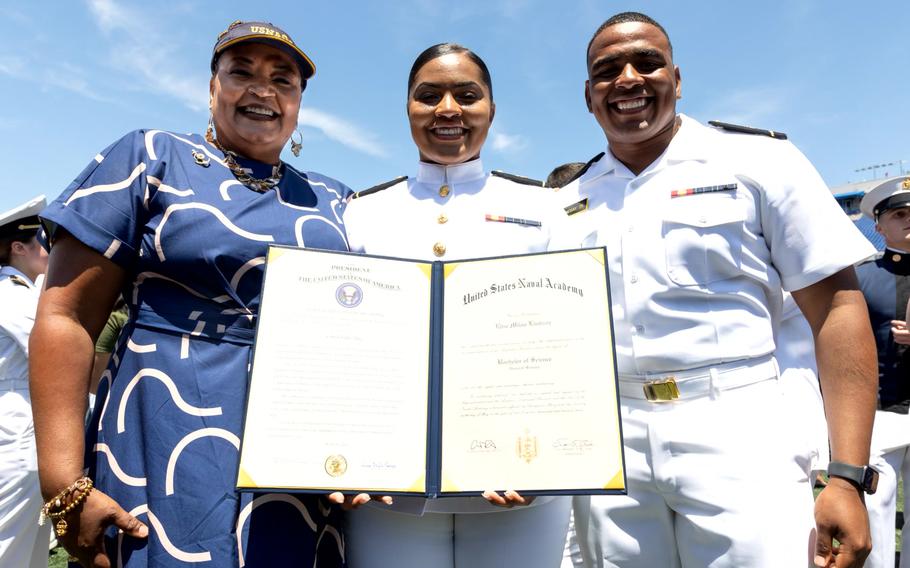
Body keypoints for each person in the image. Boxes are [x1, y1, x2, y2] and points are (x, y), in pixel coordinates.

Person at [552, 11, 879, 568]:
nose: (628, 79)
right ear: (589, 95)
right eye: (608, 70)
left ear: (676, 80)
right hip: (611, 444)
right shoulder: (563, 201)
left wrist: (847, 476)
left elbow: (838, 312)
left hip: (738, 427)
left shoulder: (760, 162)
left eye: (647, 63)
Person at [30, 21, 356, 567]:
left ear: (299, 104)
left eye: (284, 80)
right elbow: (65, 317)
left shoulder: (333, 198)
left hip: (298, 449)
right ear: (212, 89)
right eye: (242, 73)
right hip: (162, 424)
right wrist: (64, 483)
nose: (263, 90)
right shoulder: (150, 157)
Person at [342, 43, 571, 568]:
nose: (449, 109)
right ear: (408, 109)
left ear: (492, 109)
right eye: (430, 96)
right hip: (388, 487)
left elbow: (568, 345)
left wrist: (551, 462)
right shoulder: (361, 213)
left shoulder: (544, 209)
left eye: (467, 95)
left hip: (518, 481)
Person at [856, 176, 910, 568]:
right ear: (879, 226)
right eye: (899, 214)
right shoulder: (858, 278)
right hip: (877, 414)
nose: (909, 220)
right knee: (874, 514)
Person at [0, 195, 51, 568]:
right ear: (19, 247)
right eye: (42, 241)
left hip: (21, 433)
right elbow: (51, 353)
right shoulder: (13, 296)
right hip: (18, 436)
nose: (48, 250)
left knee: (27, 556)